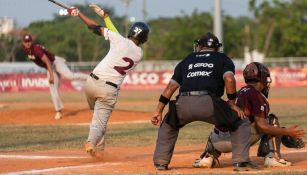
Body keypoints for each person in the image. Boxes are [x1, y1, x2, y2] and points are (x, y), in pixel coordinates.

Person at [151, 32, 258, 171]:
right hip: (209, 103)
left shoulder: (187, 59)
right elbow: (230, 79)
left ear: (199, 47)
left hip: (183, 103)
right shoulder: (223, 58)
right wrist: (232, 103)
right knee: (241, 123)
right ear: (217, 48)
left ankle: (161, 162)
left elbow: (171, 87)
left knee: (168, 125)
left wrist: (158, 111)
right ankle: (240, 162)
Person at [67, 4, 150, 157]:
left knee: (99, 119)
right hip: (108, 90)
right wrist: (106, 17)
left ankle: (99, 151)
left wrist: (78, 14)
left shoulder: (118, 39)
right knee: (99, 122)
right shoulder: (139, 53)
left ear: (131, 31)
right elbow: (120, 39)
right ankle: (91, 142)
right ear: (144, 38)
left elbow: (93, 27)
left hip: (91, 83)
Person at [193, 62, 305, 169]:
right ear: (261, 78)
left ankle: (208, 157)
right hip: (237, 141)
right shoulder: (257, 95)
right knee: (271, 120)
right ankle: (272, 157)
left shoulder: (239, 92)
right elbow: (262, 126)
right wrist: (286, 132)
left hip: (216, 141)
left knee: (218, 127)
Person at [22, 34, 88, 120]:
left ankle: (90, 77)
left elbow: (48, 61)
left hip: (55, 63)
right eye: (26, 41)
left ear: (32, 41)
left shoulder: (36, 49)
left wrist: (51, 76)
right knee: (53, 89)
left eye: (29, 41)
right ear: (23, 43)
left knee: (70, 76)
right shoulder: (25, 49)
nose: (27, 43)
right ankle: (59, 111)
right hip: (50, 67)